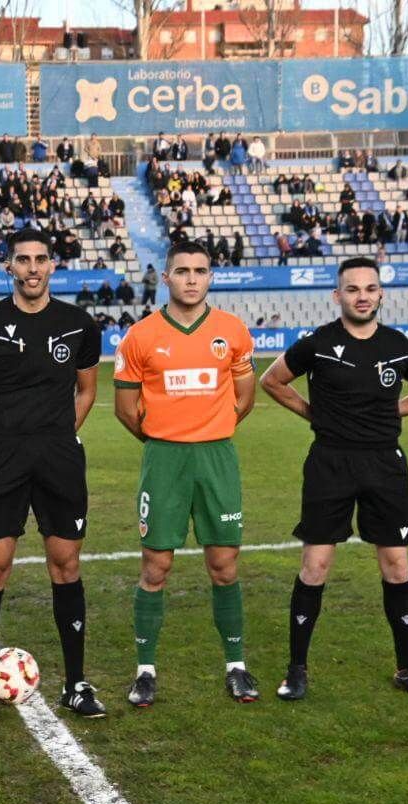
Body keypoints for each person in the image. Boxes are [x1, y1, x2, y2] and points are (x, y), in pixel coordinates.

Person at [258, 256, 408, 702]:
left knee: (397, 566)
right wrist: (314, 414)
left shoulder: (399, 346)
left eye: (370, 288)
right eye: (352, 289)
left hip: (385, 466)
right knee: (316, 566)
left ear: (380, 294)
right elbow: (272, 380)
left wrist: (389, 411)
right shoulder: (317, 344)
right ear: (337, 295)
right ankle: (297, 669)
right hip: (330, 463)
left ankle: (407, 668)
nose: (362, 296)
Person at [0, 227, 104, 722]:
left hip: (59, 458)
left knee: (66, 564)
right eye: (23, 260)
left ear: (52, 266)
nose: (32, 268)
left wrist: (57, 435)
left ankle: (76, 683)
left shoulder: (79, 325)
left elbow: (86, 392)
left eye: (41, 259)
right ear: (9, 267)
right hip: (3, 461)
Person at [112, 239, 259, 707]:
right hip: (164, 461)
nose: (191, 279)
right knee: (156, 567)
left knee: (224, 565)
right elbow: (125, 409)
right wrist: (164, 438)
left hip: (217, 459)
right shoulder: (140, 336)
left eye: (200, 270)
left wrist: (212, 430)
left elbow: (245, 396)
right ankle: (145, 670)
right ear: (166, 278)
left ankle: (236, 666)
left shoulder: (232, 330)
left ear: (210, 277)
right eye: (182, 271)